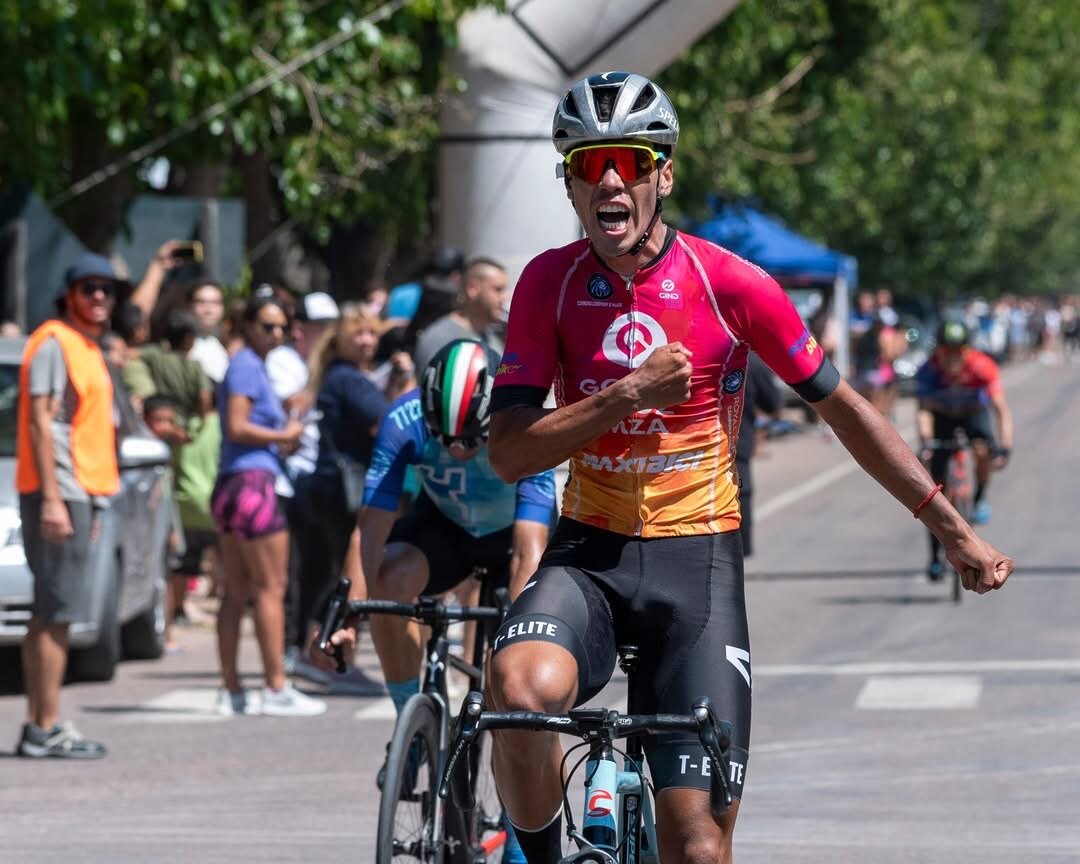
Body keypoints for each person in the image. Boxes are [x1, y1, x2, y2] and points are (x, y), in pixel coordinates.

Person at [484, 71, 1014, 864]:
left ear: (663, 173)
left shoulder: (728, 283)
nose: (610, 181)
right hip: (587, 553)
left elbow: (844, 412)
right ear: (570, 182)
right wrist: (628, 394)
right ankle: (538, 858)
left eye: (628, 161)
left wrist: (951, 528)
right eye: (588, 165)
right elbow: (509, 452)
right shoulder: (546, 284)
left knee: (696, 847)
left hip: (695, 562)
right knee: (518, 694)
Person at [14, 253, 127, 758]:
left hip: (81, 489)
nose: (99, 296)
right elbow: (41, 422)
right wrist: (55, 500)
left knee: (51, 611)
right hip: (60, 491)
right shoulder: (54, 343)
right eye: (89, 288)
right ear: (69, 295)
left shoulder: (86, 346)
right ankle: (46, 726)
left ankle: (40, 724)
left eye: (107, 289)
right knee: (55, 612)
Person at [212, 292, 325, 717]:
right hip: (253, 485)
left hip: (233, 484)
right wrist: (283, 436)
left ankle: (232, 688)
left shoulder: (250, 365)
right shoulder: (245, 365)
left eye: (281, 326)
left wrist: (284, 414)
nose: (276, 333)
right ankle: (276, 686)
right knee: (270, 590)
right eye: (267, 326)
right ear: (247, 325)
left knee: (236, 591)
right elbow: (237, 426)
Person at [289, 303, 389, 682]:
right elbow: (387, 422)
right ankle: (322, 649)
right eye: (358, 334)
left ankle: (318, 649)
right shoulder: (349, 379)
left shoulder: (340, 376)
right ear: (341, 339)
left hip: (329, 486)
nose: (367, 341)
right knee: (345, 572)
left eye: (372, 333)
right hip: (343, 488)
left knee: (326, 571)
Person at [916, 320, 1013, 576]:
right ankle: (934, 556)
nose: (953, 357)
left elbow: (1000, 410)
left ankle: (980, 497)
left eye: (959, 350)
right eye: (947, 350)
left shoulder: (982, 366)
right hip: (943, 417)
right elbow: (923, 411)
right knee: (935, 493)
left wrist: (1004, 447)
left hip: (973, 415)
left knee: (982, 451)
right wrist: (926, 442)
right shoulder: (928, 371)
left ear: (967, 349)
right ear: (938, 351)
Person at [412, 257, 509, 375]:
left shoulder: (493, 339)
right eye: (498, 289)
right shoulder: (442, 340)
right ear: (473, 289)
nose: (505, 298)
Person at [735, 353, 781, 557]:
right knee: (740, 492)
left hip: (689, 449)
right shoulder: (749, 360)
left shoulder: (690, 351)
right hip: (735, 443)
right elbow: (772, 402)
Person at [186, 281, 230, 385]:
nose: (209, 309)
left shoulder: (228, 342)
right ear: (189, 305)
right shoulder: (178, 346)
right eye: (201, 302)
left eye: (215, 302)